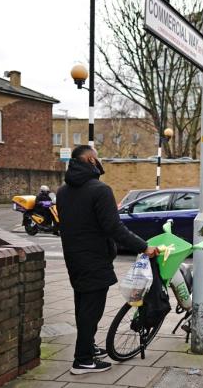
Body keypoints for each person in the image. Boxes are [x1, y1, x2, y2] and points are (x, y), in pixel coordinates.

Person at [57, 145, 160, 375]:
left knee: (82, 306)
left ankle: (88, 347)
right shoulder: (100, 190)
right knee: (91, 310)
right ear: (90, 160)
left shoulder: (63, 191)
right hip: (94, 258)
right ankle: (82, 360)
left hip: (74, 257)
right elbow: (114, 228)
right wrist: (144, 247)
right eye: (98, 158)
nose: (100, 162)